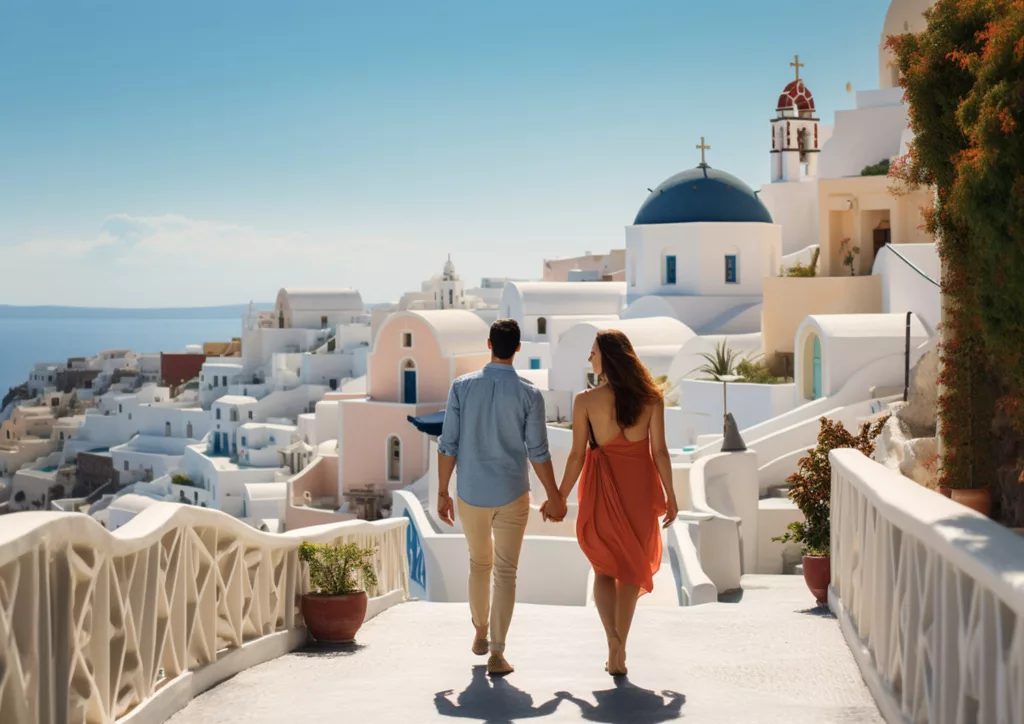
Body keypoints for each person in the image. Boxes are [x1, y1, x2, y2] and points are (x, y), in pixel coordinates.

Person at [543, 330, 678, 676]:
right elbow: (660, 452)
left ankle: (612, 640)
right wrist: (671, 495)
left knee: (603, 569)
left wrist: (558, 496)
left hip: (602, 488)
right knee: (631, 569)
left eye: (593, 353)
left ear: (607, 357)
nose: (590, 359)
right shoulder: (652, 398)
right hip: (641, 490)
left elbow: (576, 455)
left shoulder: (585, 401)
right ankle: (621, 646)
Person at [437, 319, 567, 676]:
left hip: (471, 493)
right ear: (519, 348)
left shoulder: (461, 388)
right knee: (505, 573)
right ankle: (497, 652)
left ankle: (480, 630)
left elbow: (448, 444)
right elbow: (539, 452)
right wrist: (555, 497)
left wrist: (442, 492)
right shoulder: (529, 394)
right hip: (512, 493)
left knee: (479, 564)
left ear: (489, 344)